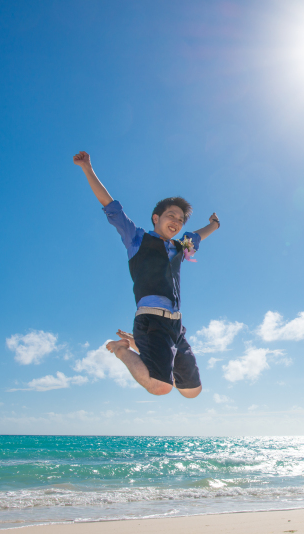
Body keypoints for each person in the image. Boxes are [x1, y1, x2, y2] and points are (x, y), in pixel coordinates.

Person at [73, 151, 220, 398]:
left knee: (192, 391)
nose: (176, 221)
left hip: (175, 325)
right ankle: (121, 349)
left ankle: (137, 342)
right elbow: (111, 207)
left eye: (180, 219)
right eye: (170, 215)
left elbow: (197, 235)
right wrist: (87, 168)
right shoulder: (137, 239)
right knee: (161, 387)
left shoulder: (180, 246)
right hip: (151, 321)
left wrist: (215, 224)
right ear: (156, 218)